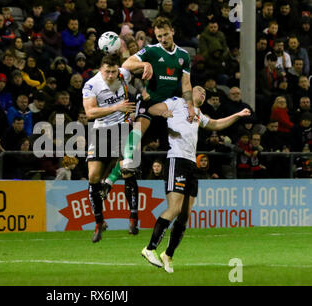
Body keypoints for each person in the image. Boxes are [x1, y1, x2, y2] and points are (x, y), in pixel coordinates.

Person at [141, 86, 251, 273]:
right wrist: (163, 112)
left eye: (205, 94)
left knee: (185, 215)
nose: (203, 94)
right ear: (190, 93)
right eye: (200, 91)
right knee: (175, 208)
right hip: (176, 159)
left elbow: (215, 124)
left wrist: (237, 115)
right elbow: (151, 109)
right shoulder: (177, 103)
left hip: (191, 163)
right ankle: (150, 248)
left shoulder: (198, 113)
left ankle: (168, 254)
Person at [102, 17, 196, 197]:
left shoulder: (183, 56)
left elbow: (186, 84)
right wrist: (144, 63)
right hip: (150, 102)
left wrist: (190, 106)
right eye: (159, 36)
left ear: (173, 31)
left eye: (166, 35)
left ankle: (184, 182)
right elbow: (126, 64)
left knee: (180, 142)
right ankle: (109, 181)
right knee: (136, 138)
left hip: (170, 108)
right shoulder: (152, 51)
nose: (163, 39)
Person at [82, 54, 138, 243]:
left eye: (114, 71)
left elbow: (136, 68)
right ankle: (99, 222)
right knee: (93, 177)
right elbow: (90, 113)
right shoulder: (91, 85)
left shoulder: (124, 74)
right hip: (101, 131)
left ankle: (133, 219)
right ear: (100, 70)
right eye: (108, 71)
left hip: (122, 129)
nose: (112, 75)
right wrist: (117, 107)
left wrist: (145, 69)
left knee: (128, 170)